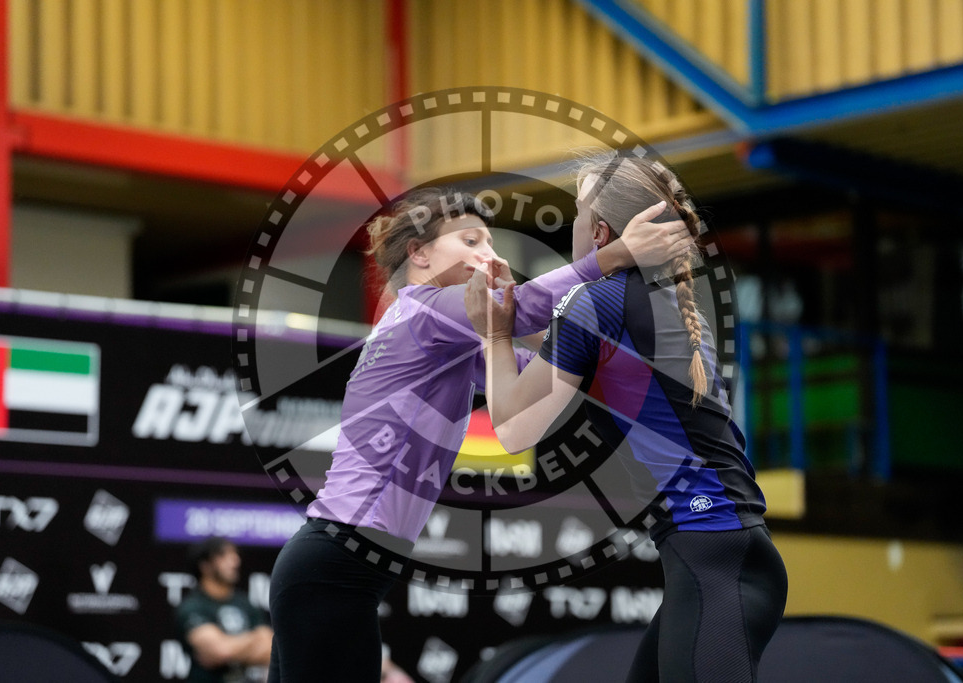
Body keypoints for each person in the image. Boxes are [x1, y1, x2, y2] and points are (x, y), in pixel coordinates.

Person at [267, 186, 688, 682]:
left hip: (335, 567)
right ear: (418, 254)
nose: (488, 253)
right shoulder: (425, 310)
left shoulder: (437, 336)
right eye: (470, 240)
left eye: (490, 242)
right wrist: (616, 255)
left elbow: (537, 376)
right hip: (335, 567)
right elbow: (530, 309)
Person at [465, 153, 789, 683]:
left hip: (712, 554)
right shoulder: (663, 302)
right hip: (726, 552)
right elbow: (558, 360)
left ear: (597, 231)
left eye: (575, 211)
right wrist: (499, 335)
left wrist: (493, 334)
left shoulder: (595, 303)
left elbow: (513, 428)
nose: (570, 223)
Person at [175, 537, 273, 683]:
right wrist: (255, 639)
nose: (235, 561)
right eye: (224, 555)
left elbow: (271, 649)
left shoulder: (244, 603)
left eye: (235, 555)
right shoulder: (193, 606)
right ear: (205, 565)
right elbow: (220, 650)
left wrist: (228, 648)